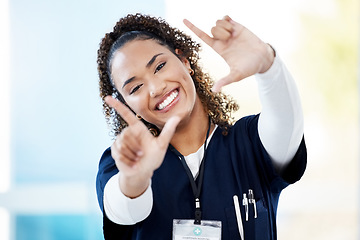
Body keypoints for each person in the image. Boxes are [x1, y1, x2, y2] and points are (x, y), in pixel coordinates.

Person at [96, 13, 307, 240]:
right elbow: (123, 208)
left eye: (159, 67)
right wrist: (136, 177)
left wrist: (268, 67)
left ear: (185, 62)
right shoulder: (120, 164)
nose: (156, 88)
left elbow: (286, 125)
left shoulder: (248, 143)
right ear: (128, 105)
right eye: (136, 88)